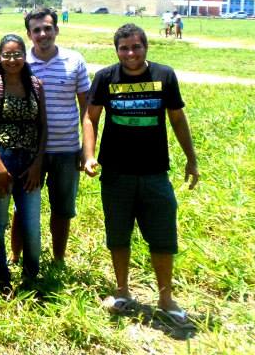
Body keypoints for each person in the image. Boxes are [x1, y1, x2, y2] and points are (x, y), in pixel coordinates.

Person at [82, 23, 199, 325]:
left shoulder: (164, 76)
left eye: (136, 47)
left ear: (146, 47)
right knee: (118, 235)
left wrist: (191, 159)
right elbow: (90, 118)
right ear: (116, 50)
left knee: (163, 236)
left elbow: (177, 118)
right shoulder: (105, 77)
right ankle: (122, 292)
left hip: (154, 173)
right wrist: (89, 155)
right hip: (116, 173)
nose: (130, 53)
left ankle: (166, 298)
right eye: (124, 48)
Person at [0, 34, 47, 292]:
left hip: (30, 165)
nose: (12, 59)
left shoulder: (36, 86)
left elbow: (43, 128)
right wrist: (0, 169)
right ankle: (1, 278)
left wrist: (38, 164)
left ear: (25, 56)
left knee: (31, 225)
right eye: (6, 55)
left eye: (17, 54)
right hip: (0, 162)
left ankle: (31, 276)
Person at [22, 8, 90, 265]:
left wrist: (87, 149)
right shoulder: (22, 63)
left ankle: (58, 258)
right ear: (29, 34)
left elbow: (86, 108)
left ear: (56, 30)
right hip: (29, 151)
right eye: (36, 30)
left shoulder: (74, 61)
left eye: (47, 28)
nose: (43, 34)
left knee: (62, 209)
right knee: (23, 206)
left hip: (67, 149)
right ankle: (18, 256)